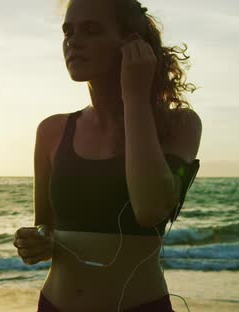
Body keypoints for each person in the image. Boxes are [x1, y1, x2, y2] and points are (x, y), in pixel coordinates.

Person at [13, 0, 202, 311]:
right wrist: (36, 240)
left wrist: (134, 98)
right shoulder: (52, 130)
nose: (73, 41)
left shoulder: (178, 125)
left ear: (132, 44)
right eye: (68, 31)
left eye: (91, 30)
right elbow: (46, 225)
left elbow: (151, 208)